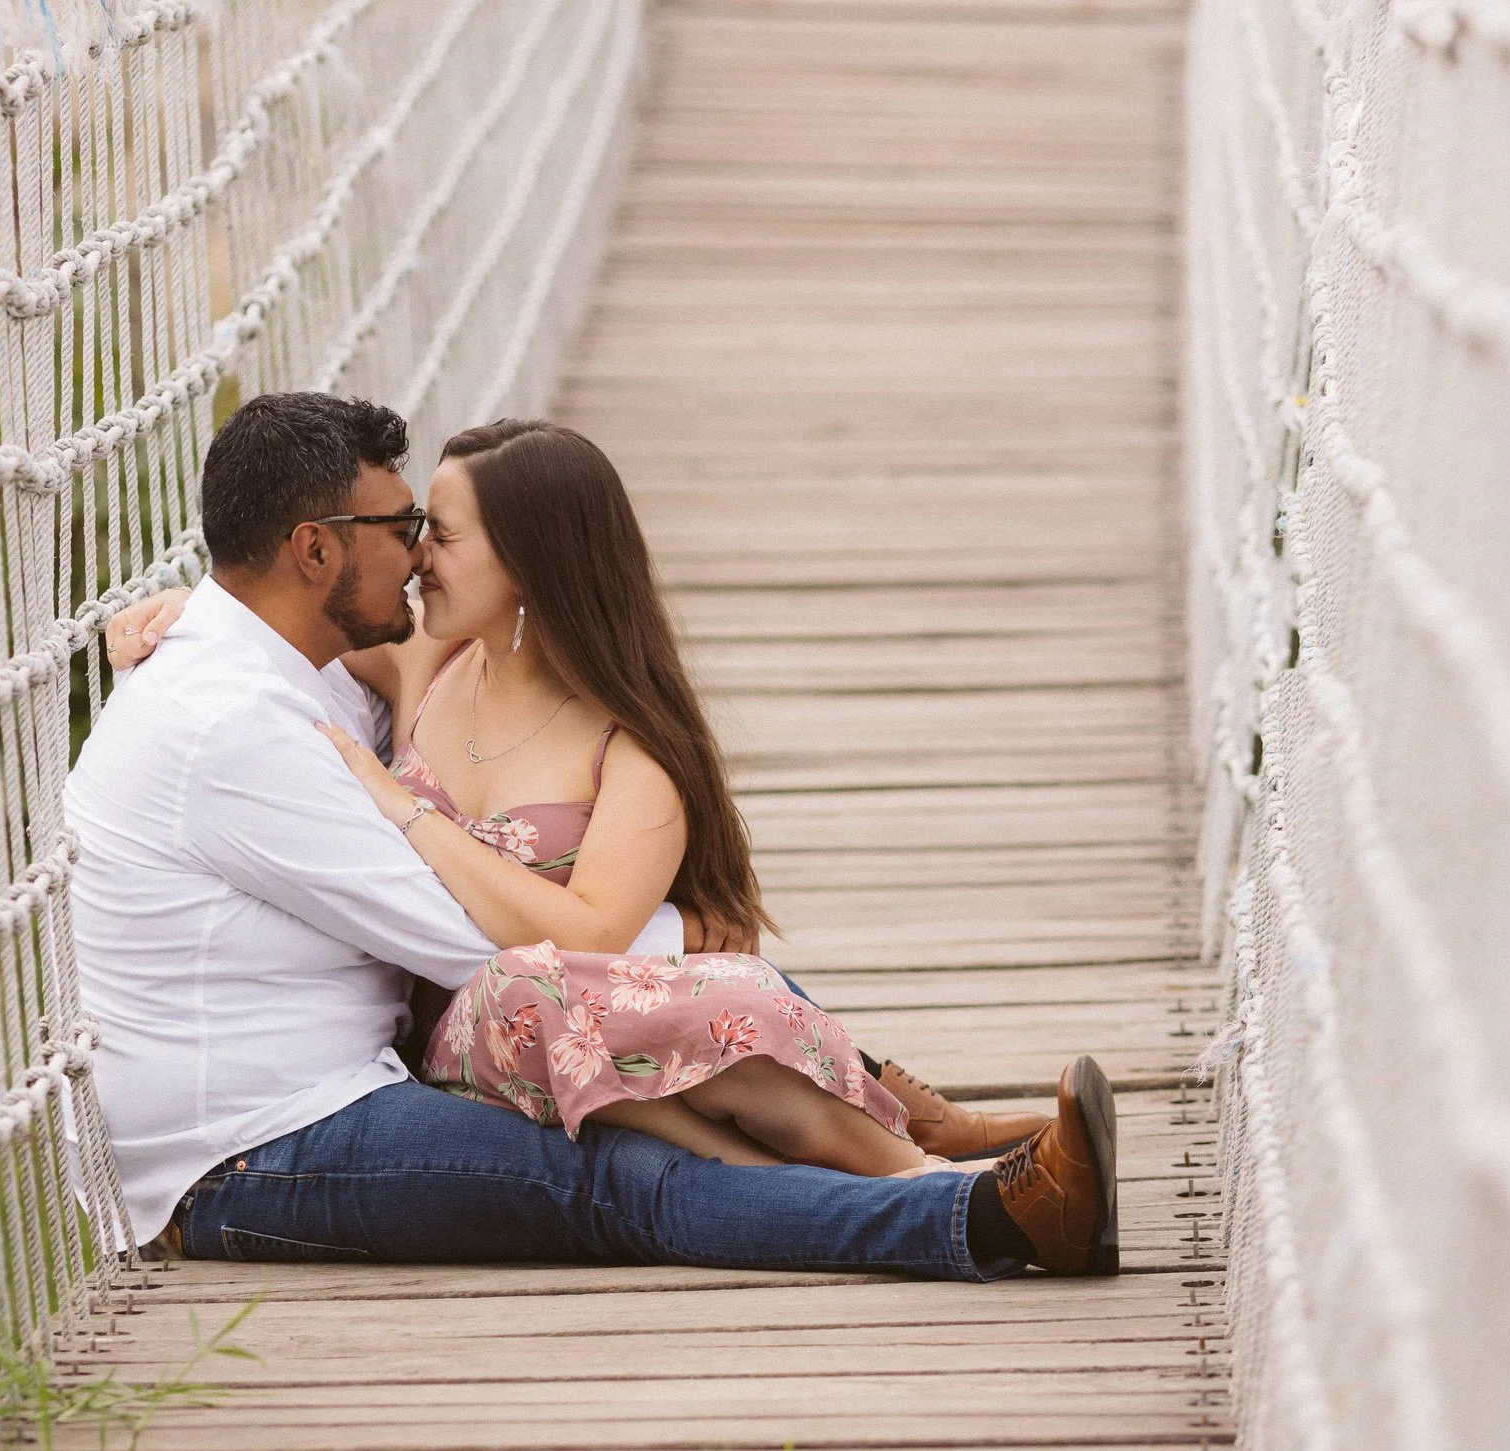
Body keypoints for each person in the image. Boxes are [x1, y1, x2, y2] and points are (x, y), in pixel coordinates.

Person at [66, 391, 1117, 1276]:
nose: (419, 553)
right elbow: (477, 943)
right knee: (626, 1177)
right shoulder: (235, 723)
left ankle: (927, 1142)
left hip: (350, 1074)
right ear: (312, 550)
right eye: (401, 527)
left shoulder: (307, 671)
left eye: (431, 530)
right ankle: (973, 1215)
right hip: (246, 1148)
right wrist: (671, 932)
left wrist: (188, 606)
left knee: (698, 1021)